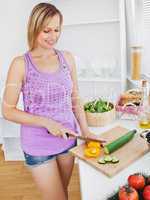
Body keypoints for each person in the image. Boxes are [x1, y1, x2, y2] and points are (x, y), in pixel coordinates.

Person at [2, 2, 102, 200]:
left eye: (57, 29)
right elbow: (8, 111)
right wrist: (47, 122)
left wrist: (86, 131)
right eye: (47, 30)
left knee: (62, 193)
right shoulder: (20, 64)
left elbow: (75, 98)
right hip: (38, 145)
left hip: (68, 140)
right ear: (34, 27)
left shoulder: (67, 59)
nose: (53, 36)